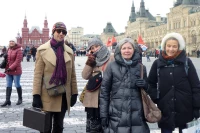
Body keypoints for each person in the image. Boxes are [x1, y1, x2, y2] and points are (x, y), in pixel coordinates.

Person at [147, 32, 200, 133]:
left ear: (179, 47)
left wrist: (197, 107)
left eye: (174, 46)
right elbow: (150, 83)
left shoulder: (187, 62)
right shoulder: (157, 63)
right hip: (165, 110)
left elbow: (196, 86)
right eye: (169, 46)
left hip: (185, 109)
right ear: (164, 46)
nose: (171, 49)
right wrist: (156, 98)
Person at [32, 22, 78, 133]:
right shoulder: (42, 50)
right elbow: (38, 74)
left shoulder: (69, 51)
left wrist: (74, 93)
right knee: (45, 127)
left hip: (63, 95)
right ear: (53, 32)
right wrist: (36, 95)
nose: (61, 34)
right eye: (58, 31)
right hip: (47, 95)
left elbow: (72, 75)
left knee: (59, 127)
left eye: (64, 32)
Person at [100, 38, 150, 133]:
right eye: (124, 48)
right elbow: (104, 93)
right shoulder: (111, 66)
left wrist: (145, 85)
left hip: (137, 116)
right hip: (117, 115)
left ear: (134, 50)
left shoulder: (141, 68)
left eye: (129, 48)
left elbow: (147, 91)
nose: (127, 51)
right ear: (120, 50)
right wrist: (103, 115)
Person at [82, 37, 114, 133]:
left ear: (101, 45)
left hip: (108, 96)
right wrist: (89, 63)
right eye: (92, 48)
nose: (95, 49)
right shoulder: (92, 59)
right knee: (93, 128)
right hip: (93, 98)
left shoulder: (112, 57)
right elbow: (84, 76)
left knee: (107, 126)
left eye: (97, 46)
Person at [1, 38, 23, 107]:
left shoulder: (19, 50)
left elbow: (18, 61)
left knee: (17, 84)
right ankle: (8, 100)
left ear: (15, 42)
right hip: (8, 71)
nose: (11, 42)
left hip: (16, 70)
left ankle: (20, 99)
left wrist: (11, 68)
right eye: (10, 41)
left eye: (12, 41)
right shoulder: (9, 49)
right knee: (8, 85)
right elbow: (8, 60)